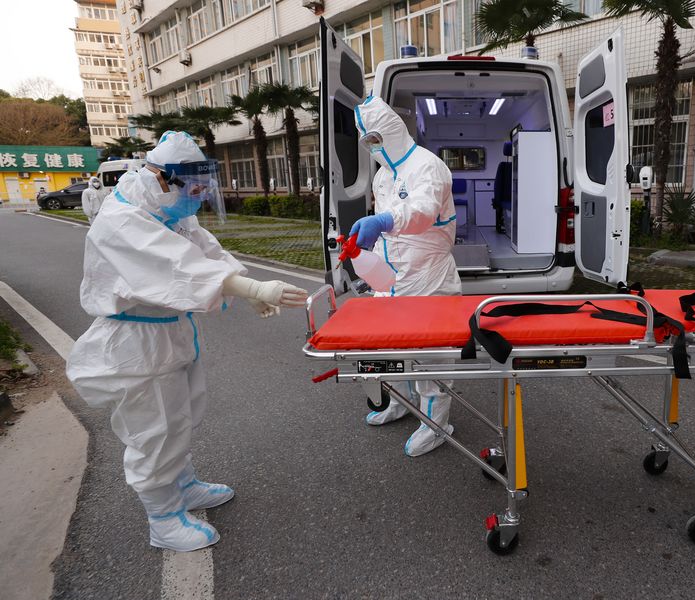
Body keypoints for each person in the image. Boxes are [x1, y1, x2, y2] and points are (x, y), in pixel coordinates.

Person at [66, 131, 308, 552]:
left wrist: (245, 286)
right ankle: (162, 519)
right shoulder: (122, 220)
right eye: (193, 189)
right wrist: (253, 290)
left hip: (170, 330)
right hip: (138, 341)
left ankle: (183, 484)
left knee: (180, 417)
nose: (198, 197)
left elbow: (204, 253)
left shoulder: (166, 209)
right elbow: (177, 266)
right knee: (155, 430)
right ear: (162, 178)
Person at [349, 96, 461, 457]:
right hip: (391, 277)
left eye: (376, 138)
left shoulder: (427, 166)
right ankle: (400, 402)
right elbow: (386, 228)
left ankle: (436, 425)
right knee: (389, 348)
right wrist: (370, 245)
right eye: (367, 141)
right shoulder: (383, 175)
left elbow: (422, 212)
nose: (373, 147)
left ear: (393, 131)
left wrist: (384, 220)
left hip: (428, 277)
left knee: (429, 356)